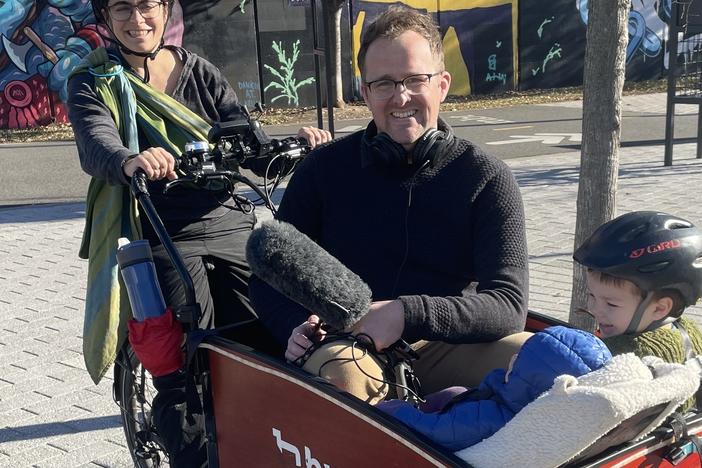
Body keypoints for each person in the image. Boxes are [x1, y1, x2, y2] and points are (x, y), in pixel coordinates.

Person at [67, 0, 330, 465]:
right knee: (189, 359)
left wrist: (296, 148)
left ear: (165, 10)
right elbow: (95, 140)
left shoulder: (201, 73)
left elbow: (245, 142)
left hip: (229, 218)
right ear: (105, 18)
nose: (136, 19)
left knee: (274, 338)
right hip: (162, 227)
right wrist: (129, 160)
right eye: (122, 9)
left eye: (146, 5)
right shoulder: (91, 80)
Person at [249, 6, 531, 401]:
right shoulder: (322, 170)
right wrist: (296, 325)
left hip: (444, 343)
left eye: (415, 79)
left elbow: (508, 305)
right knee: (343, 374)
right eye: (383, 84)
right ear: (365, 93)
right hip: (346, 344)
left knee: (537, 360)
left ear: (442, 84)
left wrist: (404, 313)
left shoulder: (487, 177)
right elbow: (268, 276)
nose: (401, 96)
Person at [375, 326, 611, 452]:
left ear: (524, 380)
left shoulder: (486, 417)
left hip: (447, 437)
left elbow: (432, 431)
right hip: (471, 411)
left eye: (519, 361)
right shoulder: (541, 412)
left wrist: (396, 410)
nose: (513, 357)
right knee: (456, 391)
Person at [573, 211, 702, 408]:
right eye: (591, 296)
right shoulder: (690, 331)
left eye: (611, 304)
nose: (595, 309)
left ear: (660, 308)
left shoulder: (620, 355)